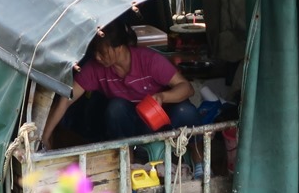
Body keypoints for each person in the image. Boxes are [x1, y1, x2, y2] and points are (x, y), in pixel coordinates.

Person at [41, 19, 205, 178]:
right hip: (134, 126)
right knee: (116, 107)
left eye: (102, 52)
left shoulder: (149, 60)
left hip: (163, 121)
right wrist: (45, 136)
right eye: (95, 52)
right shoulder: (95, 69)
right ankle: (129, 167)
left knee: (186, 110)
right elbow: (65, 100)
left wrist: (163, 96)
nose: (97, 57)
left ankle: (200, 165)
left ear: (118, 47)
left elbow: (186, 88)